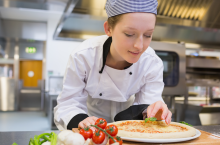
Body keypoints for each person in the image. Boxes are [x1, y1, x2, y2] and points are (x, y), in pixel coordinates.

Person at [54, 0, 172, 131]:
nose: (139, 45)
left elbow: (148, 104)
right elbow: (68, 104)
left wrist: (154, 111)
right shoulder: (83, 56)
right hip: (91, 131)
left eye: (148, 35)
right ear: (108, 29)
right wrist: (81, 120)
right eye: (129, 34)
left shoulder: (151, 63)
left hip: (130, 129)